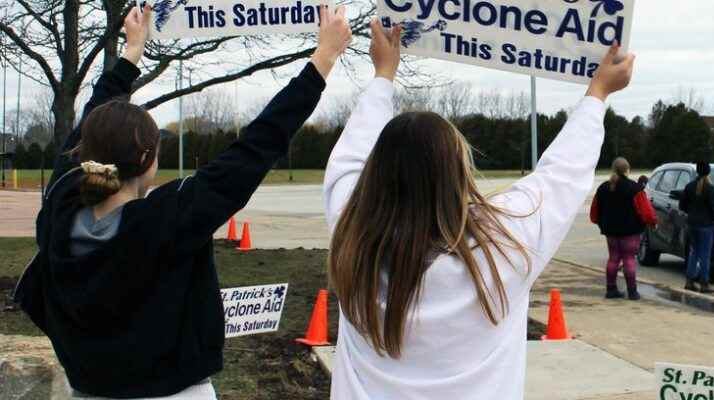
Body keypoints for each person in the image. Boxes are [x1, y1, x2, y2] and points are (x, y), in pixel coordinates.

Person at [13, 5, 352, 398]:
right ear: (146, 159)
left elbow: (89, 125)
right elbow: (258, 145)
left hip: (89, 390)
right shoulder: (167, 218)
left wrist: (131, 55)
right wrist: (324, 59)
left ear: (84, 152)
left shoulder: (59, 206)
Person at [322, 19, 635, 399]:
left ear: (375, 176)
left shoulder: (352, 240)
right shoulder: (504, 247)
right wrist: (597, 93)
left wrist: (383, 74)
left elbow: (350, 156)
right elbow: (561, 176)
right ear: (458, 175)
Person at [589, 157, 657, 300]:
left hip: (611, 231)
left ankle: (611, 289)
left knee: (613, 258)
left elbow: (594, 211)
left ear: (613, 169)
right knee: (629, 259)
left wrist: (599, 222)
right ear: (627, 170)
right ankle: (632, 292)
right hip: (630, 231)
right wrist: (653, 222)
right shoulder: (635, 189)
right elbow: (646, 211)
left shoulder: (603, 188)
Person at [679, 162, 714, 294]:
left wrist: (691, 211)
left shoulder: (689, 186)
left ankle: (689, 281)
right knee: (705, 255)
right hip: (706, 225)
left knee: (694, 252)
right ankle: (704, 283)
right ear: (708, 172)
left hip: (691, 224)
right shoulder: (709, 188)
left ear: (697, 171)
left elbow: (682, 205)